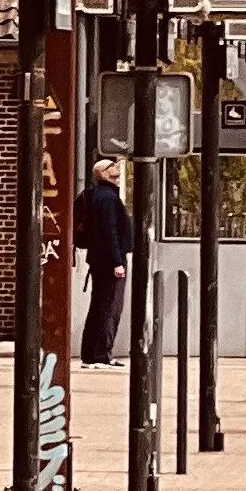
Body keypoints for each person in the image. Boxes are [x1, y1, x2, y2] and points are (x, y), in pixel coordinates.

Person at [78, 155, 137, 364]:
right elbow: (109, 231)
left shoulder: (98, 196)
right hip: (109, 260)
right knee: (110, 307)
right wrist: (117, 261)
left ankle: (90, 354)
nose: (116, 167)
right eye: (111, 166)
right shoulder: (108, 198)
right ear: (103, 174)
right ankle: (102, 355)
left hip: (98, 259)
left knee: (99, 306)